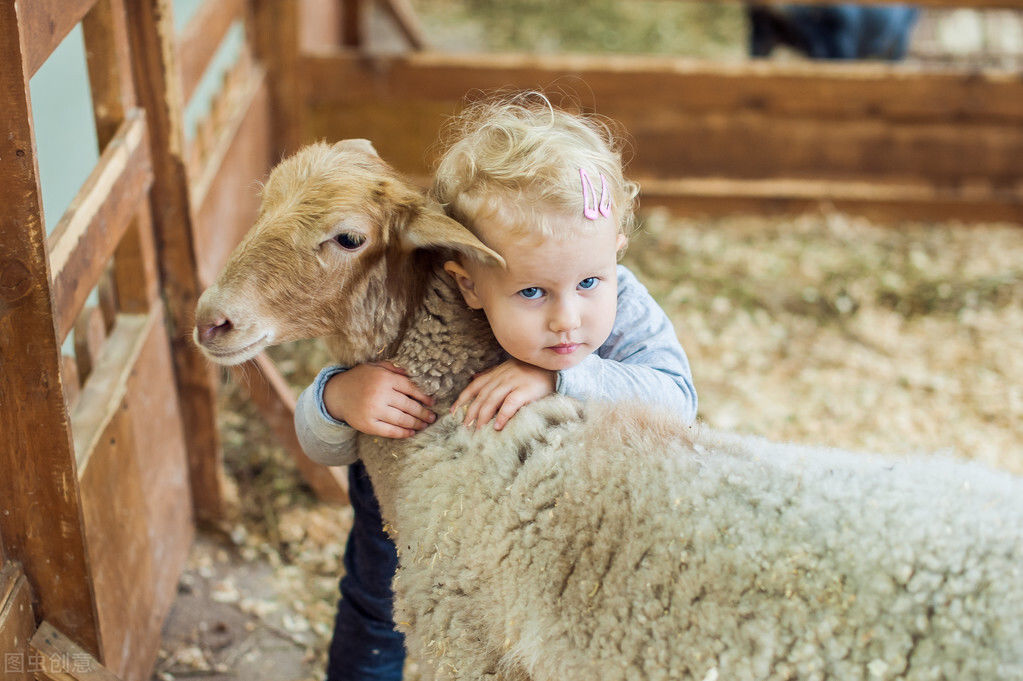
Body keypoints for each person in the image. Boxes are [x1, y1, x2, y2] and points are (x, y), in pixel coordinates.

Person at [294, 92, 697, 681]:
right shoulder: (419, 314)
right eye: (532, 292)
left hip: (548, 518)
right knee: (375, 610)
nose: (567, 318)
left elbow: (677, 402)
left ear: (616, 249)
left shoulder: (625, 307)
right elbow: (323, 448)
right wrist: (336, 399)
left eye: (590, 281)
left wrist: (562, 375)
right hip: (409, 514)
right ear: (468, 284)